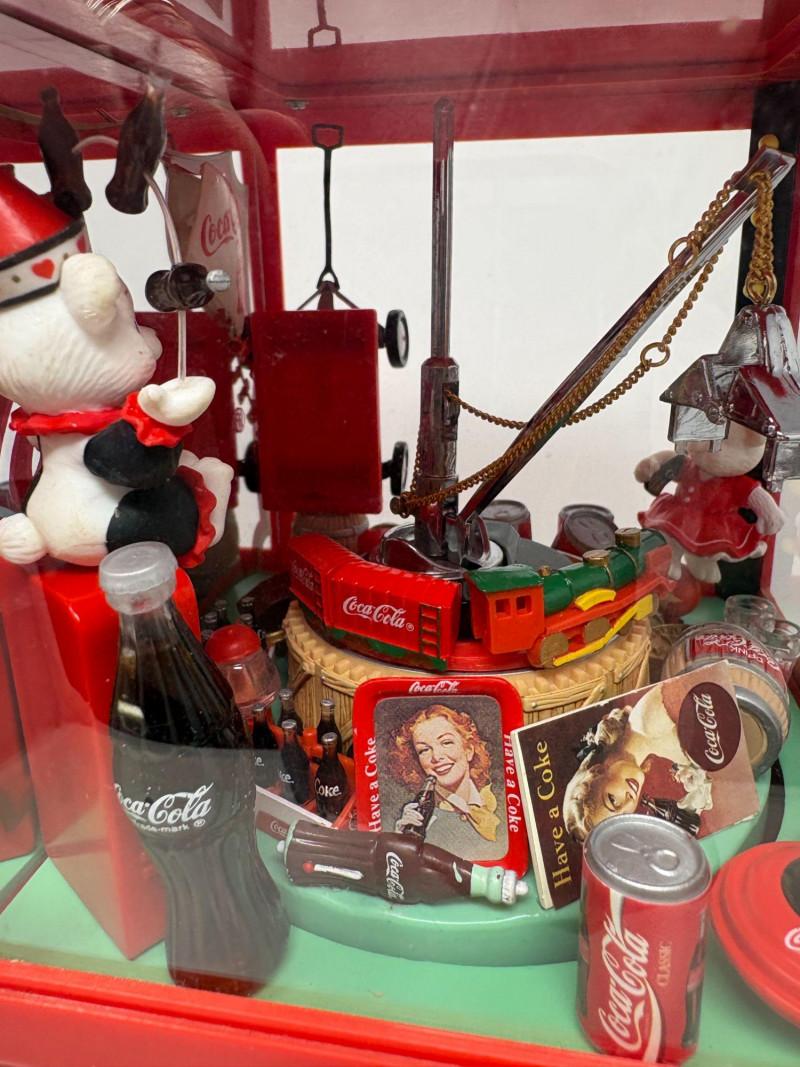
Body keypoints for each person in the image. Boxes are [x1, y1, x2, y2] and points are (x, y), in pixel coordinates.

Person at [563, 685, 711, 844]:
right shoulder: (654, 744)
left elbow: (711, 687)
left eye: (613, 800)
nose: (629, 802)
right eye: (623, 815)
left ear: (598, 770)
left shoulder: (648, 720)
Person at [386, 703, 505, 860]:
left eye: (446, 742)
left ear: (468, 750)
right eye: (424, 750)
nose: (436, 756)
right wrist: (401, 845)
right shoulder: (423, 822)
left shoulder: (498, 800)